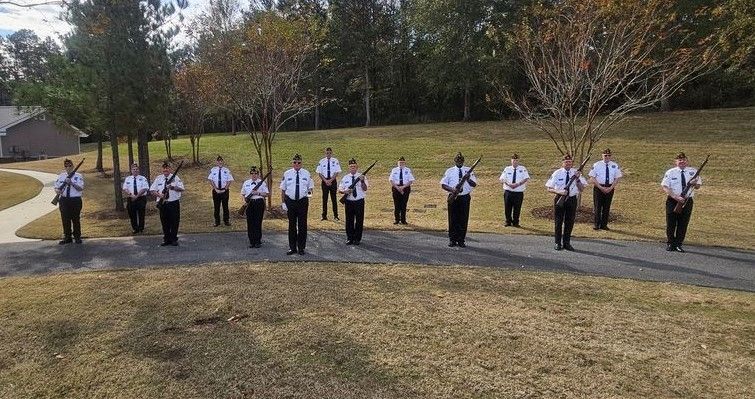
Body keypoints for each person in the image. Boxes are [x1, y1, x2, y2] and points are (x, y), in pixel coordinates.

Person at [661, 152, 702, 253]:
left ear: (687, 161)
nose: (682, 161)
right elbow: (665, 187)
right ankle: (670, 243)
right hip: (673, 200)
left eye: (684, 160)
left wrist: (694, 183)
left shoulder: (693, 172)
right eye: (679, 160)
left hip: (687, 200)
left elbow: (698, 186)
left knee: (683, 223)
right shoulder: (671, 172)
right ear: (676, 162)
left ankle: (679, 244)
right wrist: (675, 197)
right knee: (671, 223)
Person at [546, 154, 588, 251]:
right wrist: (559, 191)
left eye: (570, 162)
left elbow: (581, 189)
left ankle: (566, 243)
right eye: (566, 162)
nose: (568, 163)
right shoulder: (557, 173)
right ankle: (557, 243)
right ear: (562, 163)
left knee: (569, 222)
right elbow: (549, 188)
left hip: (572, 199)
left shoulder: (577, 173)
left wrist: (577, 179)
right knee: (558, 221)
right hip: (560, 198)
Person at [440, 152, 478, 248]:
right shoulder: (450, 171)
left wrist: (468, 179)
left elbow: (474, 184)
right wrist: (453, 190)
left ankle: (461, 240)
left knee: (463, 219)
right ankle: (452, 239)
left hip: (465, 197)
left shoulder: (468, 170)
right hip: (453, 197)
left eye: (461, 161)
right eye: (458, 161)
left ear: (463, 161)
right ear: (455, 161)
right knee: (452, 219)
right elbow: (443, 185)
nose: (459, 163)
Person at [281, 154, 314, 255]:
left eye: (299, 162)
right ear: (292, 163)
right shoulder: (287, 174)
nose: (297, 164)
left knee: (302, 225)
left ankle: (301, 248)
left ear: (301, 163)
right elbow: (283, 189)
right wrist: (283, 202)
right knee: (292, 225)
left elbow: (310, 188)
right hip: (290, 201)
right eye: (295, 162)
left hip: (302, 202)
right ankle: (292, 248)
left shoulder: (306, 173)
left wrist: (308, 198)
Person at [150, 162, 185, 247]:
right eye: (164, 168)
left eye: (167, 168)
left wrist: (172, 187)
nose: (165, 170)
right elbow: (152, 190)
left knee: (174, 221)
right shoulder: (158, 178)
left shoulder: (175, 178)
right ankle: (166, 239)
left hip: (173, 203)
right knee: (164, 222)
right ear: (162, 169)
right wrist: (159, 195)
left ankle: (173, 239)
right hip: (163, 204)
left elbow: (182, 189)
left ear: (170, 169)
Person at [588, 148, 623, 230]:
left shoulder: (614, 165)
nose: (607, 157)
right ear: (602, 156)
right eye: (605, 155)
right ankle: (596, 224)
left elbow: (617, 178)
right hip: (598, 188)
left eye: (609, 155)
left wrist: (611, 188)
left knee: (606, 207)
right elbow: (592, 177)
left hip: (610, 188)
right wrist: (600, 187)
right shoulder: (597, 165)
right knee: (597, 207)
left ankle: (604, 225)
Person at [54, 158, 84, 244]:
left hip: (75, 200)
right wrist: (57, 191)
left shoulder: (78, 176)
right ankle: (67, 237)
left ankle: (77, 237)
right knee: (65, 219)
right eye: (66, 166)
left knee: (75, 219)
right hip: (64, 200)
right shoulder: (61, 176)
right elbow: (56, 186)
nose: (68, 167)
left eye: (69, 165)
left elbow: (80, 188)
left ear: (73, 166)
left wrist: (71, 183)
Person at [339, 158, 369, 245]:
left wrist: (362, 181)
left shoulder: (362, 176)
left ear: (357, 167)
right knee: (349, 220)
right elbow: (340, 189)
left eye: (354, 166)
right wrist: (345, 191)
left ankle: (357, 239)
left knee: (359, 221)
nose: (353, 168)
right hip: (349, 202)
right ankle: (349, 238)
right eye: (351, 166)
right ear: (349, 168)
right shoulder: (345, 178)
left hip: (359, 201)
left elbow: (365, 188)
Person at [240, 166, 269, 248]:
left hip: (258, 203)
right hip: (249, 204)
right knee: (250, 222)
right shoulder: (246, 183)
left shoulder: (262, 183)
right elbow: (243, 194)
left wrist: (258, 193)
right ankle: (251, 241)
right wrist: (244, 202)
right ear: (250, 174)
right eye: (252, 173)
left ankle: (257, 241)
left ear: (258, 174)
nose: (254, 175)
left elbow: (266, 194)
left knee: (258, 222)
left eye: (256, 173)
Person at [498, 153, 530, 227]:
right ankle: (508, 221)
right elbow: (502, 179)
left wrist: (518, 184)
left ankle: (516, 222)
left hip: (518, 192)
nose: (515, 161)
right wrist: (509, 184)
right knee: (507, 207)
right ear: (511, 160)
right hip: (508, 191)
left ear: (518, 161)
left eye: (516, 160)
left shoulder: (523, 168)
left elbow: (526, 178)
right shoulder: (507, 169)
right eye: (513, 160)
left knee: (517, 208)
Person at [122, 163, 150, 234]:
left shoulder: (143, 178)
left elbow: (145, 188)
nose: (135, 170)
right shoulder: (128, 179)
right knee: (132, 214)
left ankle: (141, 228)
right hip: (131, 198)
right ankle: (135, 228)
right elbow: (125, 188)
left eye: (136, 169)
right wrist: (131, 195)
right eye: (133, 169)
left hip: (141, 198)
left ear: (139, 170)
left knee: (141, 214)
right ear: (131, 170)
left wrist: (136, 196)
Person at [208, 155, 234, 227]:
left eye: (221, 161)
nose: (220, 162)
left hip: (224, 191)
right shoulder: (213, 170)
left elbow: (229, 180)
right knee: (216, 207)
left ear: (223, 162)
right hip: (216, 191)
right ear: (216, 162)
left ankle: (226, 221)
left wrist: (225, 189)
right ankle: (217, 222)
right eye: (218, 161)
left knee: (225, 206)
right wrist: (215, 188)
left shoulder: (227, 170)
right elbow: (210, 179)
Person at [316, 147, 341, 221]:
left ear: (331, 153)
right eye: (327, 153)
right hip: (324, 181)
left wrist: (330, 180)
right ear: (325, 153)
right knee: (324, 199)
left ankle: (336, 216)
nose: (328, 154)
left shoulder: (335, 161)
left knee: (334, 199)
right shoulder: (321, 161)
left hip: (333, 181)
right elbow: (319, 173)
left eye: (330, 153)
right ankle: (324, 216)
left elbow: (337, 172)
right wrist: (325, 180)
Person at [389, 156, 415, 225]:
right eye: (400, 163)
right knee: (396, 204)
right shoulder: (394, 170)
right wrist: (398, 188)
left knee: (403, 204)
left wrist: (403, 187)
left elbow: (411, 180)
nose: (401, 164)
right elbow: (391, 180)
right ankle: (397, 220)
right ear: (398, 163)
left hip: (405, 188)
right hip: (396, 188)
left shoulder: (407, 170)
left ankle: (403, 220)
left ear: (405, 163)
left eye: (402, 163)